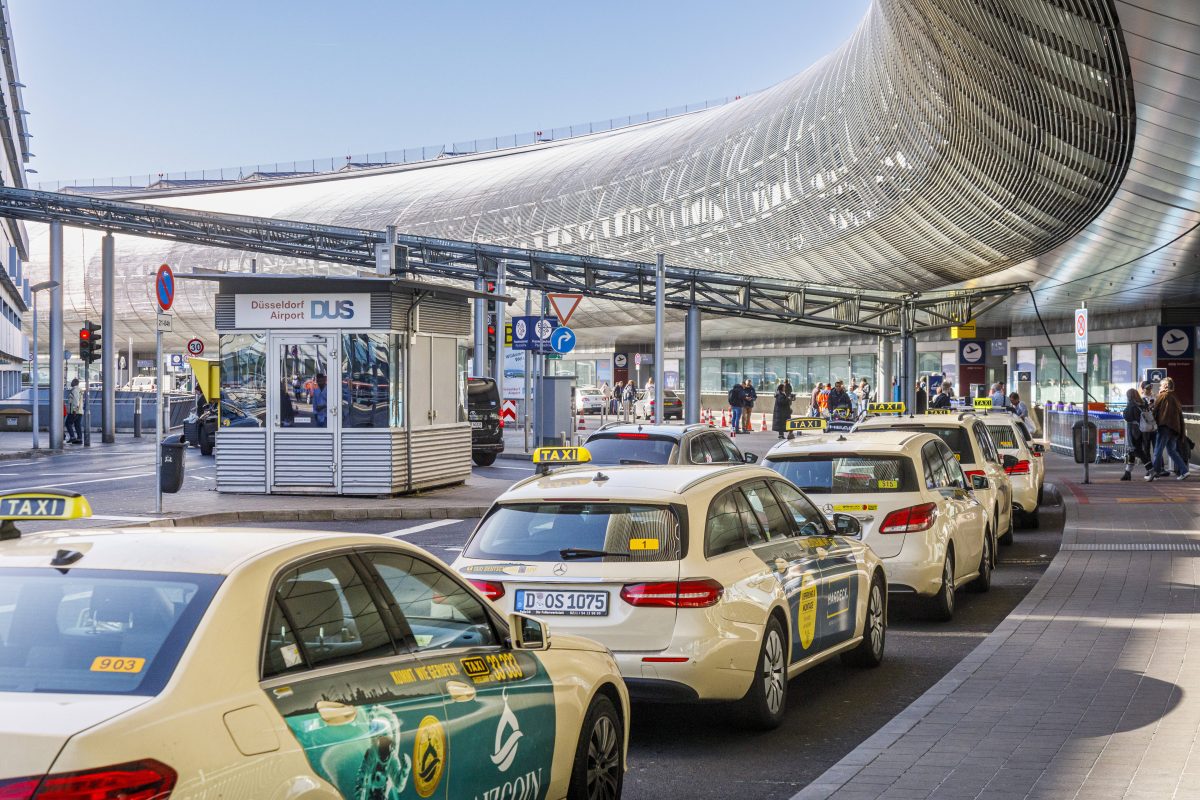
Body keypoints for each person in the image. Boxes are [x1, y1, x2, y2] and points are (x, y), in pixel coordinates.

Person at [1147, 377, 1189, 481]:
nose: (1160, 387)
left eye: (1161, 385)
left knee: (1158, 450)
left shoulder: (1163, 395)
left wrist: (1151, 409)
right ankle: (1184, 471)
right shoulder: (1174, 396)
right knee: (1172, 451)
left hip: (1165, 426)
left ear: (1165, 386)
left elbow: (1155, 410)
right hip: (1175, 428)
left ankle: (1155, 473)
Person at [1121, 387, 1152, 480]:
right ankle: (1127, 473)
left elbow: (1127, 416)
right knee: (1132, 451)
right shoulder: (1143, 403)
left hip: (1133, 431)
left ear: (1129, 396)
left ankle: (1151, 470)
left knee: (1137, 451)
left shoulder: (1131, 405)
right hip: (1142, 430)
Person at [66, 378, 83, 444]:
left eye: (72, 382)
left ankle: (72, 437)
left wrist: (74, 410)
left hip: (74, 411)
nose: (71, 383)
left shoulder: (75, 390)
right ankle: (79, 439)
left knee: (68, 423)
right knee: (77, 425)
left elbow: (75, 400)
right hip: (80, 411)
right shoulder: (79, 390)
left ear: (75, 383)